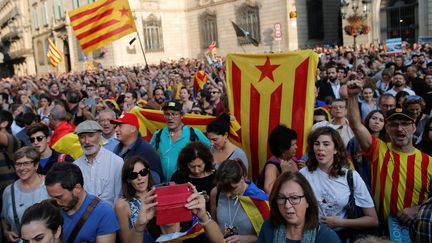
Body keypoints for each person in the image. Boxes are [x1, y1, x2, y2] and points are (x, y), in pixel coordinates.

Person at [346, 78, 432, 224]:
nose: (399, 129)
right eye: (393, 124)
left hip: (414, 231)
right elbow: (356, 125)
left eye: (405, 123)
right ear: (386, 128)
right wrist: (353, 96)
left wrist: (418, 209)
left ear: (414, 127)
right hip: (379, 229)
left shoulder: (428, 162)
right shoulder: (378, 149)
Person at [299, 127, 378, 241]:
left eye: (326, 144)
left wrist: (340, 222)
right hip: (309, 236)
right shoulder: (303, 175)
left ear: (336, 149)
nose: (320, 148)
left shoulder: (351, 177)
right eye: (317, 144)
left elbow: (372, 220)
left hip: (341, 237)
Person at [257, 172, 341, 242]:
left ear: (308, 201)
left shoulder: (327, 238)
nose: (287, 205)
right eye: (281, 198)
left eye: (294, 198)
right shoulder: (268, 228)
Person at [45, 163, 119, 243]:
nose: (56, 202)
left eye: (59, 197)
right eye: (52, 197)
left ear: (77, 188)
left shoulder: (104, 213)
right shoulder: (51, 208)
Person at [128, 185, 224, 243]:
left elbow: (219, 241)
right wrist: (139, 225)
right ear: (154, 209)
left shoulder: (195, 232)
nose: (169, 210)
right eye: (164, 204)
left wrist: (203, 217)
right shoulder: (149, 238)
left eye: (173, 204)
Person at [210, 159, 270, 243]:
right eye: (224, 189)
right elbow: (214, 224)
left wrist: (247, 239)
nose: (228, 195)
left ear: (242, 178)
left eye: (233, 188)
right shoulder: (216, 193)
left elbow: (270, 235)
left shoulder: (259, 199)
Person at [150, 100, 209, 181]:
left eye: (174, 114)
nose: (170, 117)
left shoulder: (193, 133)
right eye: (167, 114)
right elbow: (149, 155)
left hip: (187, 184)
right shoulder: (158, 134)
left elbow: (211, 151)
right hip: (163, 185)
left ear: (181, 115)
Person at [1, 146, 49, 243]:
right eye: (18, 164)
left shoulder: (49, 185)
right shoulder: (9, 191)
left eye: (26, 163)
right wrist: (6, 232)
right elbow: (4, 218)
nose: (22, 168)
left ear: (36, 165)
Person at [73, 120, 123, 207]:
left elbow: (119, 196)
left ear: (100, 136)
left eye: (91, 136)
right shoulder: (75, 166)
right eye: (82, 137)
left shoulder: (116, 162)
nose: (86, 141)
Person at [114, 156, 157, 243]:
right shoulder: (122, 205)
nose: (139, 177)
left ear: (148, 172)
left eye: (143, 172)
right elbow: (125, 241)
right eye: (133, 175)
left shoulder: (158, 193)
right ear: (128, 180)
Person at [111, 113, 164, 182]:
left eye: (120, 126)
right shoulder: (118, 147)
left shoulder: (144, 150)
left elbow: (156, 178)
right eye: (116, 126)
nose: (116, 129)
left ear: (133, 128)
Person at [347, 110, 385, 189]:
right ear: (368, 120)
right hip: (359, 185)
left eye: (381, 120)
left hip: (381, 187)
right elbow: (347, 163)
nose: (377, 122)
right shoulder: (354, 141)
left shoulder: (387, 143)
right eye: (374, 118)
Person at [171, 142, 216, 209]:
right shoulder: (178, 176)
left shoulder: (214, 177)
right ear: (185, 164)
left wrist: (209, 199)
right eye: (192, 166)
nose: (196, 170)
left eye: (200, 166)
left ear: (206, 162)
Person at [257, 124, 299, 195]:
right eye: (293, 145)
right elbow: (269, 191)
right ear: (282, 149)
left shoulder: (293, 160)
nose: (296, 147)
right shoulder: (272, 166)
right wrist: (283, 174)